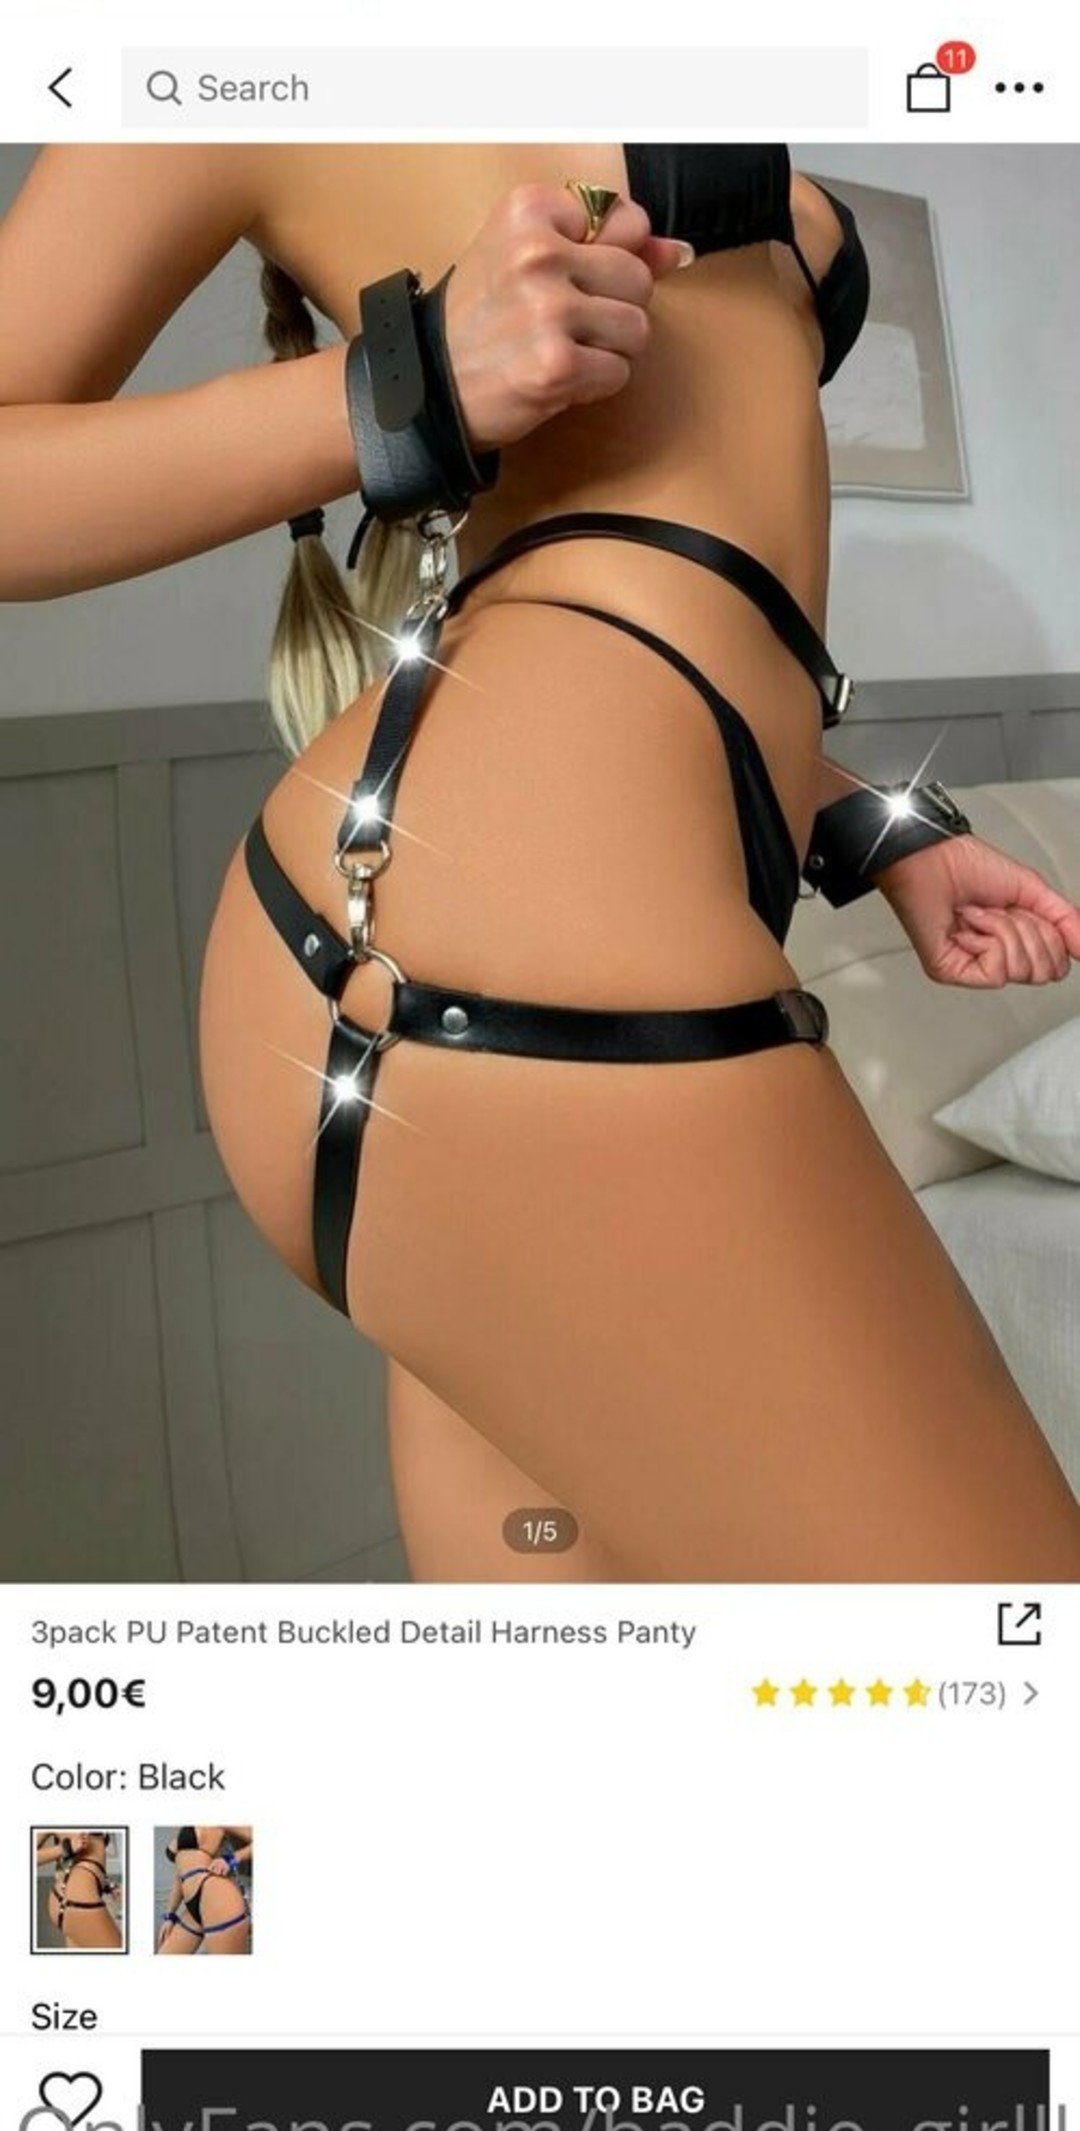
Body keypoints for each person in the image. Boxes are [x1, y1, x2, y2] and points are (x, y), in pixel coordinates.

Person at [2, 144, 1078, 1584]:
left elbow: (672, 566)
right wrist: (409, 384)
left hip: (484, 952)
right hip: (488, 964)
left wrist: (861, 823)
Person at [157, 1825, 252, 1955]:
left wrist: (233, 1858)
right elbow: (180, 1875)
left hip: (216, 1896)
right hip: (194, 1905)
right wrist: (170, 1915)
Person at [40, 1832, 123, 1950]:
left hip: (69, 1895)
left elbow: (93, 1855)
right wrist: (65, 1848)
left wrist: (107, 1885)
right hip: (79, 1899)